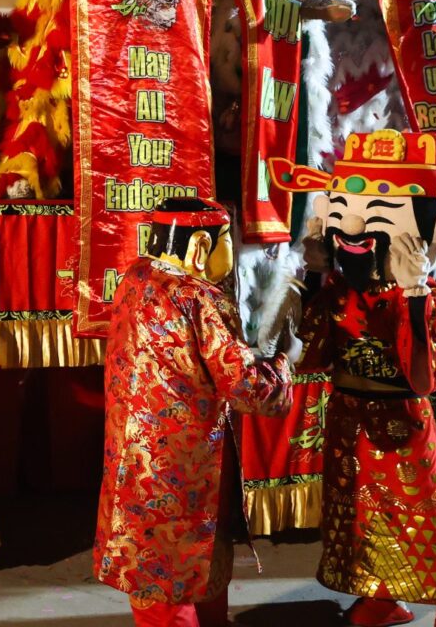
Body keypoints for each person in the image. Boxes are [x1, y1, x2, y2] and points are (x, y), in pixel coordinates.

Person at [273, 130, 436, 627]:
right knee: (359, 514)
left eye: (373, 219)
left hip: (401, 417)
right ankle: (380, 595)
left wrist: (414, 293)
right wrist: (307, 279)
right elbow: (310, 357)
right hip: (348, 415)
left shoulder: (424, 296)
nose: (352, 234)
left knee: (421, 511)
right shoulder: (335, 292)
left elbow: (423, 375)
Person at [95, 197, 295, 627]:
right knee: (181, 567)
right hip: (185, 461)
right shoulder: (197, 297)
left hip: (133, 452)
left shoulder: (134, 278)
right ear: (201, 246)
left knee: (152, 564)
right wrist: (283, 365)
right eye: (228, 242)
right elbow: (245, 385)